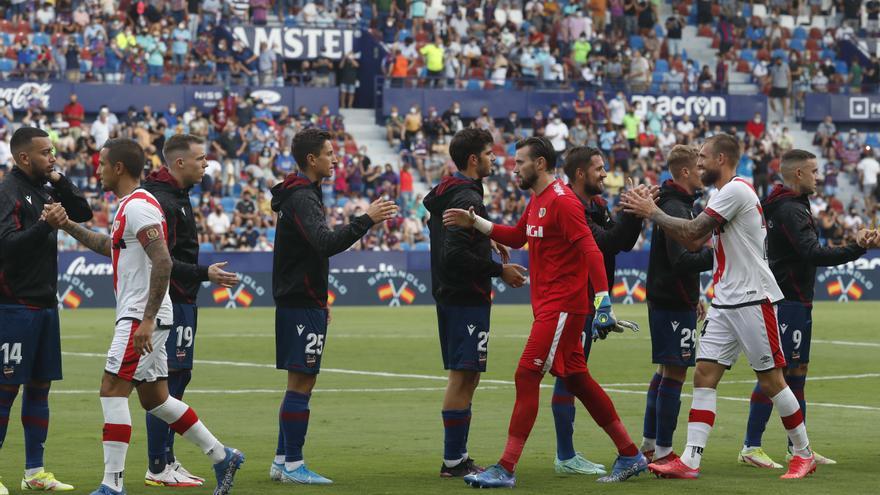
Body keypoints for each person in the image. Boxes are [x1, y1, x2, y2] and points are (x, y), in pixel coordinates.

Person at [443, 137, 648, 488]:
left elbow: (593, 252)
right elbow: (518, 235)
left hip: (563, 308)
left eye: (519, 161)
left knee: (526, 376)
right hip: (552, 308)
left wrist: (603, 303)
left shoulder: (563, 202)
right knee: (578, 380)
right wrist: (475, 222)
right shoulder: (538, 199)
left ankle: (506, 467)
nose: (513, 167)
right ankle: (630, 453)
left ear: (539, 164)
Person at [620, 133, 817, 480]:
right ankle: (691, 460)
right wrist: (654, 214)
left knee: (772, 381)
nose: (698, 163)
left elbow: (694, 233)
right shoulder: (722, 194)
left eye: (703, 157)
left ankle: (803, 454)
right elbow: (691, 237)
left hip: (753, 298)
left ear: (722, 159)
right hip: (725, 300)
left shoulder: (736, 190)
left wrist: (653, 212)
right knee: (704, 375)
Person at [59, 138, 244, 495]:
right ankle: (222, 455)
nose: (96, 171)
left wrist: (145, 320)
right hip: (147, 314)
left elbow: (163, 260)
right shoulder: (130, 206)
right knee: (156, 399)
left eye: (101, 165)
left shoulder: (140, 206)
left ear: (118, 168)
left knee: (111, 389)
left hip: (141, 316)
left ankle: (112, 485)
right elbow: (107, 247)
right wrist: (67, 226)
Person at [267, 129, 397, 484]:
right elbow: (324, 243)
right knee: (302, 382)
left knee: (299, 380)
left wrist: (319, 299)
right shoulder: (302, 197)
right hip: (299, 302)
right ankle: (294, 464)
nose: (336, 158)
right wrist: (366, 219)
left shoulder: (301, 192)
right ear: (312, 159)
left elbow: (310, 249)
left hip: (303, 299)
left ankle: (282, 460)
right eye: (329, 152)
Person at [739, 149, 880, 468]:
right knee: (777, 373)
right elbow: (811, 252)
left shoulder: (785, 204)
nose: (820, 176)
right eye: (814, 171)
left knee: (796, 374)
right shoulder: (790, 209)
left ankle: (796, 447)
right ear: (798, 174)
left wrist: (853, 243)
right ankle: (751, 446)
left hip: (795, 298)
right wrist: (856, 248)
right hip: (787, 300)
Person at [423, 128, 527, 478]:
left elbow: (441, 228)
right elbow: (454, 254)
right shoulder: (466, 196)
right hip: (464, 295)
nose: (494, 158)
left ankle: (457, 456)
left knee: (468, 375)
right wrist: (500, 269)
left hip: (457, 295)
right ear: (473, 159)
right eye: (489, 152)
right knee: (463, 375)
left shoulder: (448, 191)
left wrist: (486, 238)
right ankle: (453, 460)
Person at [141, 134, 241, 486]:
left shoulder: (178, 197)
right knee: (165, 386)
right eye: (200, 158)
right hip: (171, 302)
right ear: (180, 162)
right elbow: (163, 261)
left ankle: (167, 459)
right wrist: (204, 273)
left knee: (178, 379)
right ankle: (157, 466)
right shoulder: (163, 200)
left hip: (183, 299)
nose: (206, 164)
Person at [0, 127, 91, 492]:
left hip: (44, 305)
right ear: (24, 158)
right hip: (13, 306)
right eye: (45, 153)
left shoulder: (45, 188)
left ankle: (34, 473)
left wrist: (59, 179)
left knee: (40, 387)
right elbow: (5, 246)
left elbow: (82, 211)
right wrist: (44, 226)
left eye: (52, 150)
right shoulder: (8, 192)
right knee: (5, 390)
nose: (52, 156)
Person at [550, 146, 644, 475]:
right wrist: (633, 211)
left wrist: (636, 212)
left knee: (571, 375)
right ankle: (564, 456)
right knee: (568, 376)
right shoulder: (569, 206)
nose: (605, 173)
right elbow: (604, 243)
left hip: (585, 303)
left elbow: (620, 243)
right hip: (571, 302)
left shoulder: (597, 205)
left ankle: (567, 454)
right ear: (580, 173)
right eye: (599, 168)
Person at [638, 145, 713, 465]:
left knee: (665, 370)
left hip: (671, 298)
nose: (703, 171)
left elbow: (676, 261)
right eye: (698, 167)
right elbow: (681, 260)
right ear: (684, 172)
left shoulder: (676, 204)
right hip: (670, 301)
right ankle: (665, 451)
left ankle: (650, 443)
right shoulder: (675, 207)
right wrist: (718, 255)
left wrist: (693, 295)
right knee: (675, 373)